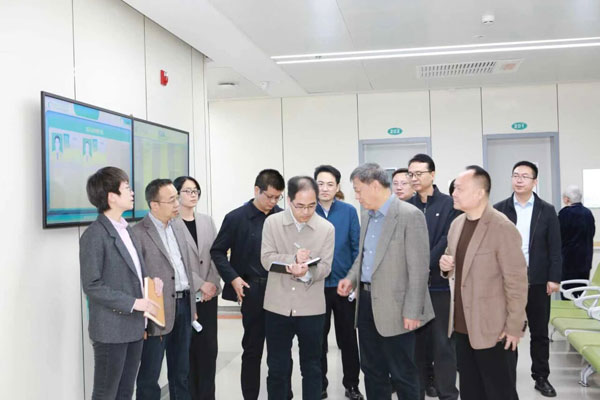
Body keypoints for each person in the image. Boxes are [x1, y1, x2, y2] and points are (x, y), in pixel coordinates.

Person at [338, 163, 433, 399]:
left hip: (397, 308)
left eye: (358, 190)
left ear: (374, 185)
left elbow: (419, 269)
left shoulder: (409, 215)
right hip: (366, 303)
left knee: (403, 372)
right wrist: (351, 278)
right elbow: (364, 257)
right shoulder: (367, 216)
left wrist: (413, 310)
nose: (356, 196)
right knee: (372, 370)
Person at [440, 165, 528, 400]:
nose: (453, 193)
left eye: (459, 189)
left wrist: (514, 327)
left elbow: (517, 282)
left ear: (479, 193)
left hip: (494, 329)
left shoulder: (501, 227)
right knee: (471, 391)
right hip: (462, 326)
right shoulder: (457, 224)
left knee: (499, 392)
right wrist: (445, 266)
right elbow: (453, 262)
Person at [80, 166, 163, 400]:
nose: (132, 192)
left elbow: (132, 273)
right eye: (127, 188)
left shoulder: (127, 229)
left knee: (125, 392)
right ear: (112, 197)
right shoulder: (94, 234)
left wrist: (151, 283)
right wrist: (133, 303)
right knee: (106, 393)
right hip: (111, 329)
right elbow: (92, 285)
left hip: (134, 326)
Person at [210, 169, 287, 400]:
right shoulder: (236, 218)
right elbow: (217, 251)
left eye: (277, 197)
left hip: (280, 290)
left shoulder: (283, 217)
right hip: (252, 291)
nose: (273, 202)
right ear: (256, 190)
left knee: (281, 351)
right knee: (253, 349)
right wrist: (233, 278)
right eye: (269, 196)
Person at [261, 176, 335, 400]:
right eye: (300, 206)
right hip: (277, 306)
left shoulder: (326, 229)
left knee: (312, 367)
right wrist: (292, 259)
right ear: (289, 200)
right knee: (277, 367)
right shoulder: (272, 223)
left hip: (311, 308)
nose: (306, 212)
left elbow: (326, 267)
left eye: (311, 206)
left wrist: (307, 273)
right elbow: (266, 259)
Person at [494, 161, 561, 398]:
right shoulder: (499, 209)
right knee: (507, 329)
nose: (519, 180)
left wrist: (554, 277)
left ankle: (541, 377)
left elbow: (555, 247)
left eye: (525, 176)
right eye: (515, 175)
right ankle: (506, 378)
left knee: (539, 332)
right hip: (507, 282)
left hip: (538, 280)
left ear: (535, 181)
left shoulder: (547, 210)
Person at [134, 179, 196, 400]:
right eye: (171, 200)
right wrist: (141, 318)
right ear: (154, 205)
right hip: (156, 310)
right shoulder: (138, 233)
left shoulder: (178, 226)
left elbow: (185, 267)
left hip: (184, 304)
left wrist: (192, 307)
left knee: (181, 372)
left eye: (177, 198)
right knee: (149, 375)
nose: (177, 204)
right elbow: (135, 278)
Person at [407, 154, 459, 400]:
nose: (414, 178)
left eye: (419, 173)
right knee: (416, 346)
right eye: (411, 174)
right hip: (413, 289)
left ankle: (447, 393)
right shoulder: (406, 206)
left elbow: (448, 239)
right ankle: (416, 392)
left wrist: (424, 263)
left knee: (443, 345)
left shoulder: (449, 204)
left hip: (440, 287)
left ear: (433, 174)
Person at [313, 165, 363, 400]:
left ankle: (352, 385)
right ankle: (319, 384)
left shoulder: (348, 211)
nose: (324, 188)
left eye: (330, 184)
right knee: (317, 340)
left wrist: (353, 281)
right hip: (315, 287)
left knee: (348, 340)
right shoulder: (307, 211)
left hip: (344, 286)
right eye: (320, 184)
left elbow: (357, 249)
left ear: (338, 187)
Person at [174, 176, 222, 400]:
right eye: (187, 191)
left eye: (196, 191)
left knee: (208, 352)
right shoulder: (171, 224)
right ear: (176, 195)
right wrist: (200, 285)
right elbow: (176, 262)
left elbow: (216, 255)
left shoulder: (207, 221)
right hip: (185, 297)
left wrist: (212, 285)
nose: (193, 195)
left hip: (208, 298)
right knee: (187, 353)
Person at [558, 185, 595, 298]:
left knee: (568, 294)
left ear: (567, 199)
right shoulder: (588, 213)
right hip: (585, 261)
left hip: (569, 262)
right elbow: (592, 233)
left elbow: (558, 236)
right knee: (581, 295)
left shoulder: (564, 214)